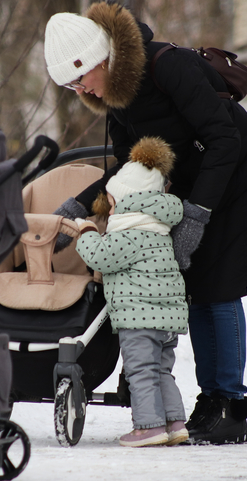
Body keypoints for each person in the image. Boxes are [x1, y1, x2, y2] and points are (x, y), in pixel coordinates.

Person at [44, 2, 247, 445]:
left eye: (79, 77)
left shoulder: (170, 67)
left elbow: (225, 139)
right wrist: (82, 203)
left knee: (219, 285)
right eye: (69, 85)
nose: (78, 89)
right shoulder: (118, 100)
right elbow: (130, 165)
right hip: (191, 188)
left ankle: (230, 405)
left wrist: (197, 216)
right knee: (196, 285)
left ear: (99, 59)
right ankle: (210, 402)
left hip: (236, 180)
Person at [74, 136, 189, 447]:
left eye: (111, 203)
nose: (109, 210)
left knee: (141, 372)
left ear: (127, 200)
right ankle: (175, 423)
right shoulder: (157, 230)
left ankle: (148, 427)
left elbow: (99, 256)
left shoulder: (128, 233)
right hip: (167, 320)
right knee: (162, 371)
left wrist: (86, 232)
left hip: (139, 320)